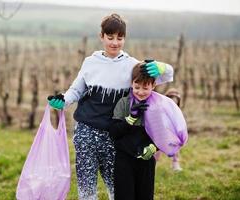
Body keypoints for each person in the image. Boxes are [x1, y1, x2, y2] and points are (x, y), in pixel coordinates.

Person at [47, 13, 174, 200]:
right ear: (101, 36)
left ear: (124, 38)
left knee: (118, 188)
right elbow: (76, 90)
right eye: (110, 37)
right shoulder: (90, 63)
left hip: (116, 135)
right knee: (87, 187)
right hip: (86, 132)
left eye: (120, 38)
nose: (115, 42)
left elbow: (162, 77)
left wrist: (163, 67)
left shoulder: (131, 65)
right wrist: (63, 100)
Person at [109, 62, 158, 200]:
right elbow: (114, 132)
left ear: (153, 86)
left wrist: (155, 147)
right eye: (137, 87)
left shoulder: (158, 106)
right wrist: (130, 118)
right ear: (131, 83)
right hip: (124, 160)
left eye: (145, 87)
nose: (140, 92)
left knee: (145, 195)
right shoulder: (123, 103)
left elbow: (164, 134)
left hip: (146, 162)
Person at [165, 88, 183, 171]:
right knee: (156, 149)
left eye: (175, 102)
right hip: (163, 132)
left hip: (173, 133)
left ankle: (175, 164)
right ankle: (154, 163)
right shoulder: (162, 110)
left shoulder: (178, 111)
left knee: (175, 148)